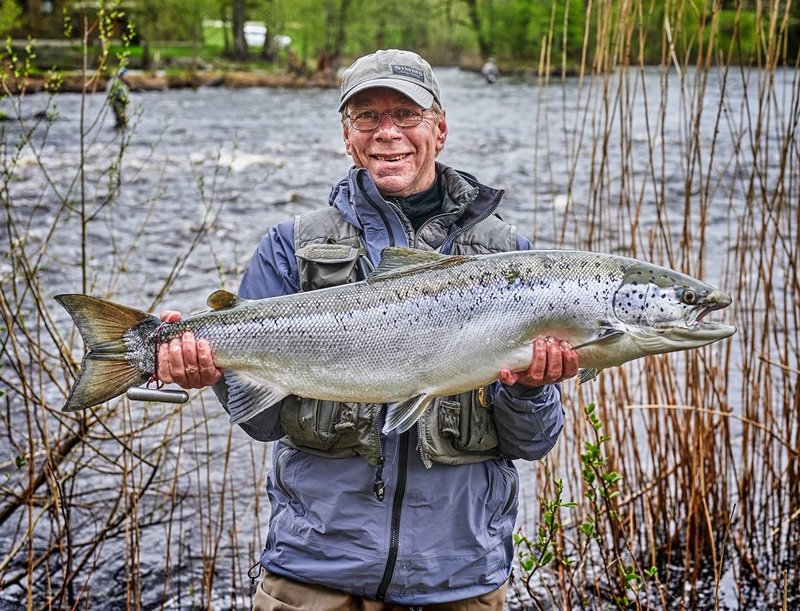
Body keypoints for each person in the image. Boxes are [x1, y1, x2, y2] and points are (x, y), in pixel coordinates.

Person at [157, 49, 578, 609]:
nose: (387, 133)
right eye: (367, 117)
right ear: (347, 135)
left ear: (440, 128)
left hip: (457, 580)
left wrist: (528, 388)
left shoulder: (507, 257)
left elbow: (534, 442)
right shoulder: (291, 249)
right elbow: (260, 421)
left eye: (406, 115)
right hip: (312, 577)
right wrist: (209, 371)